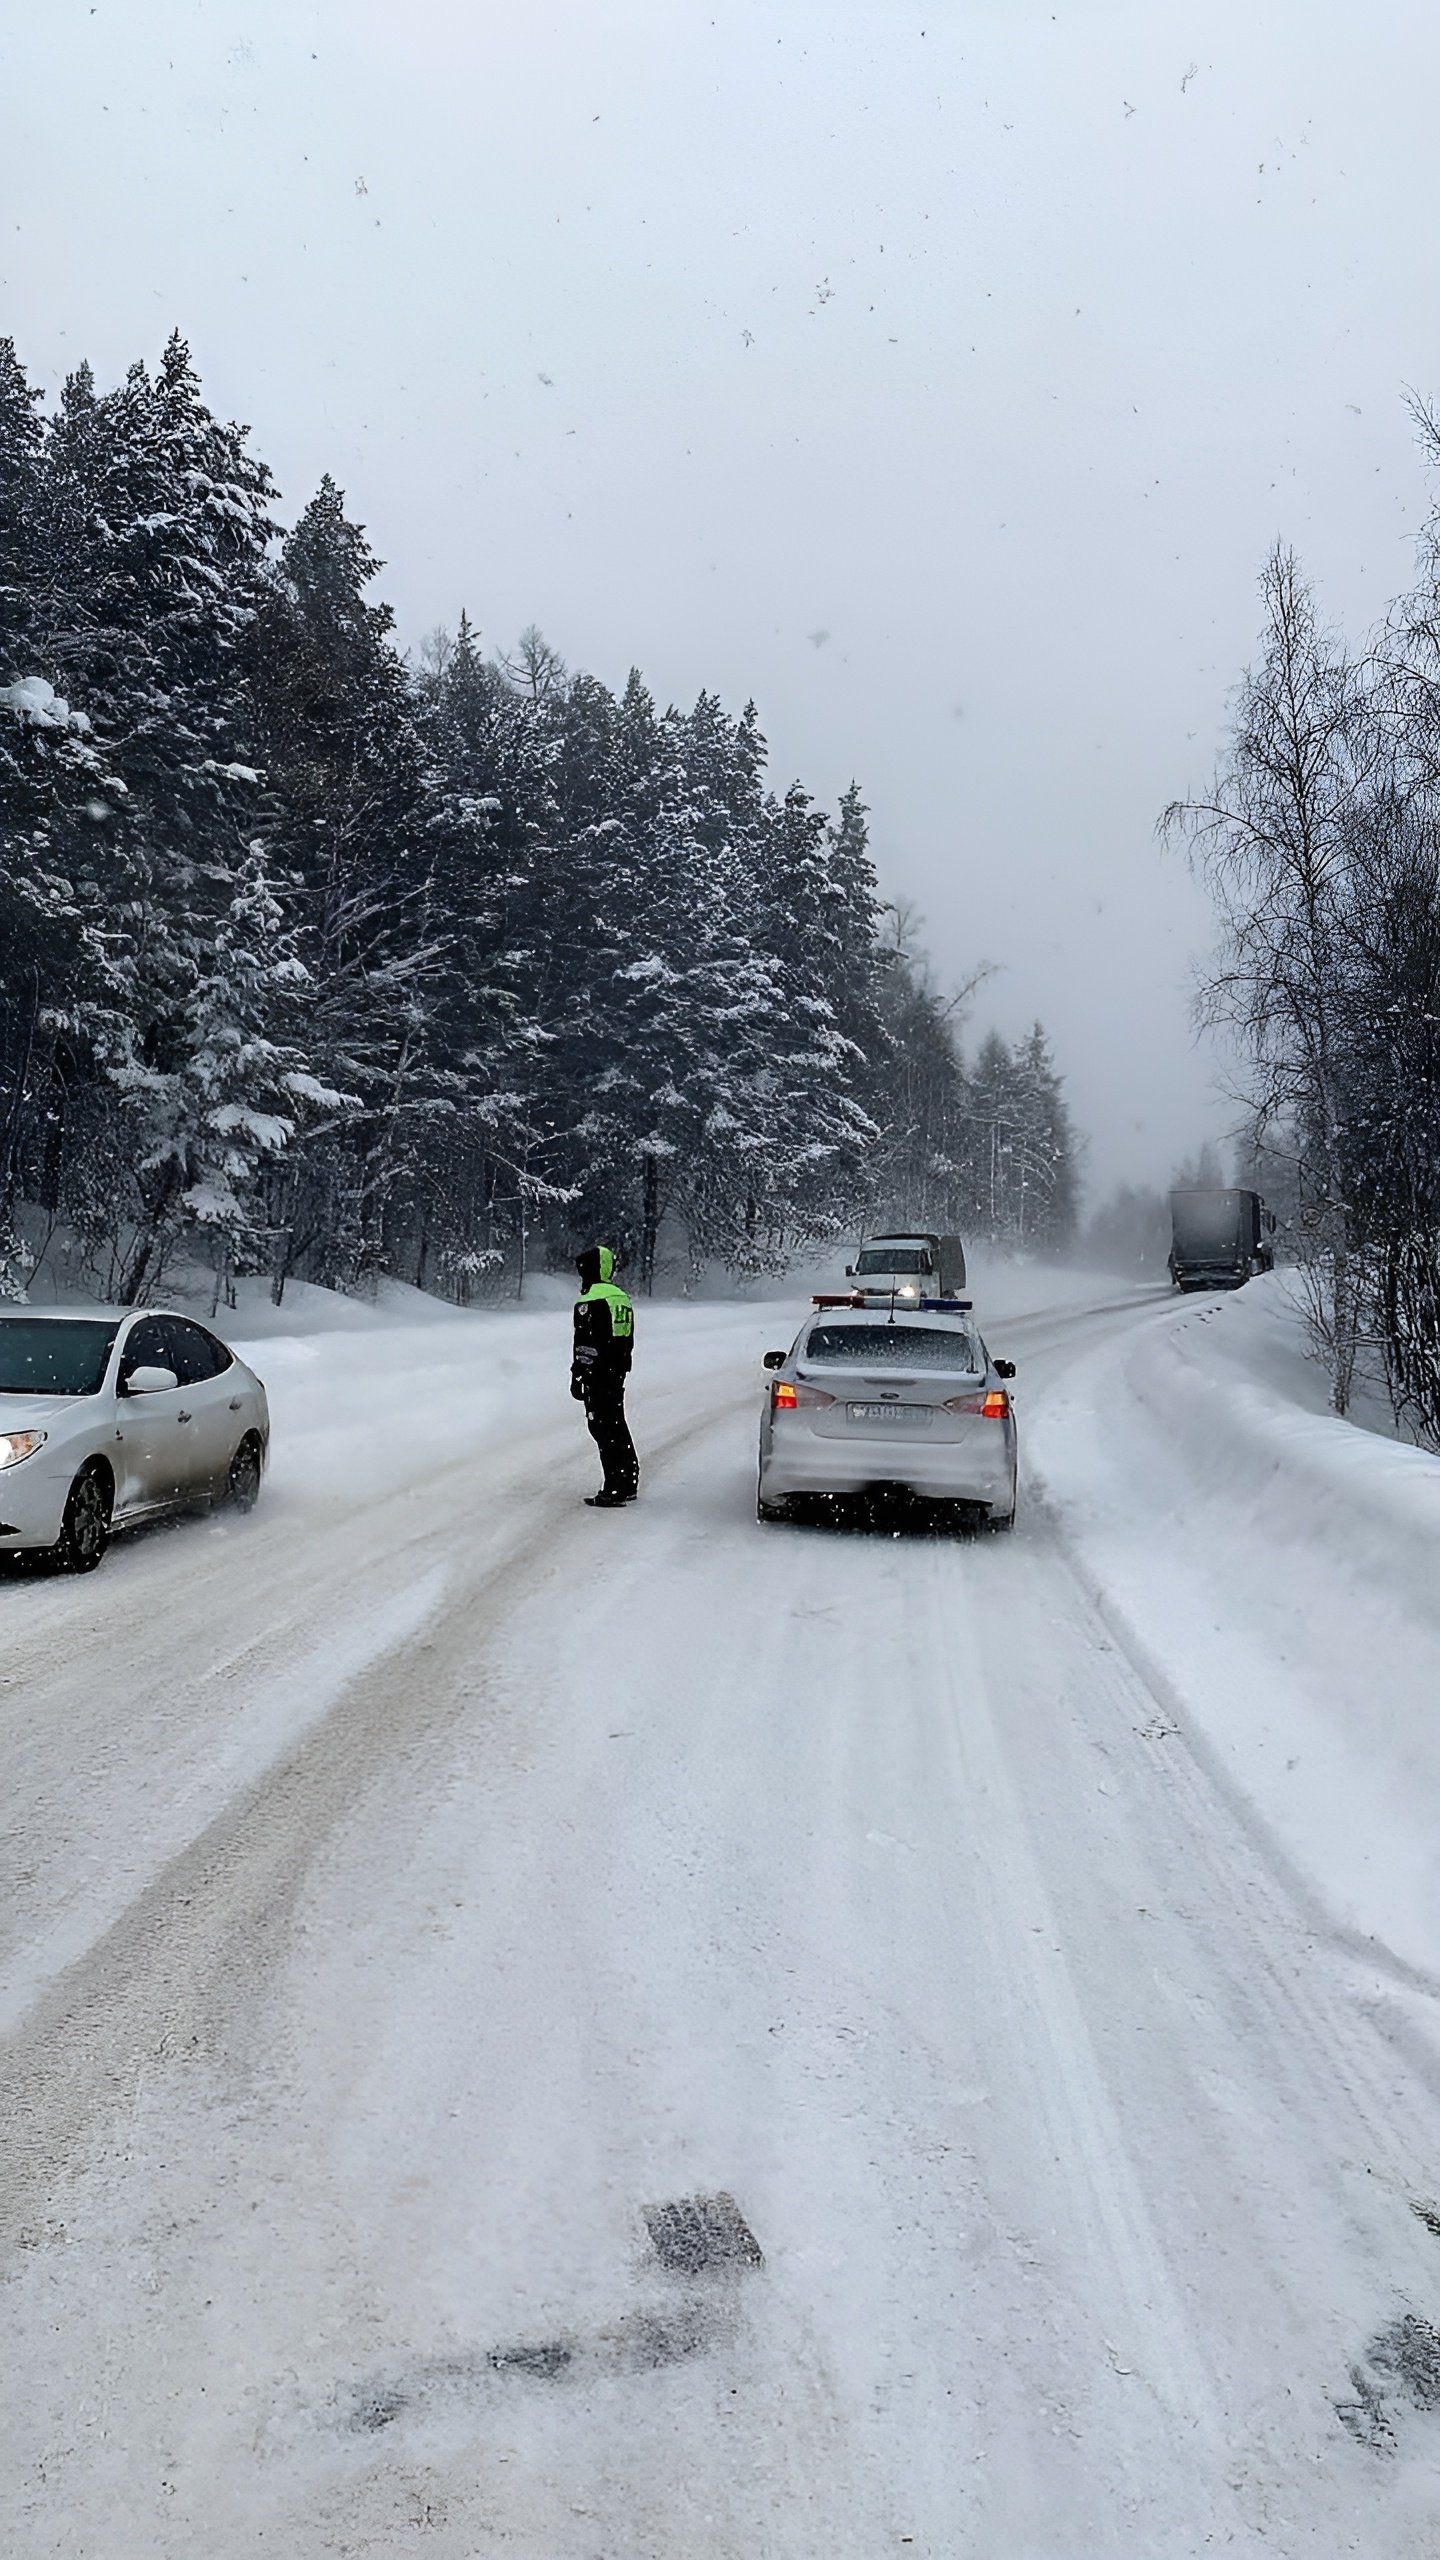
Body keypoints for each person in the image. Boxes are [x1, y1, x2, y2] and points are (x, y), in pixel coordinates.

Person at [571, 1243, 639, 1507]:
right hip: (617, 1370)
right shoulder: (620, 1298)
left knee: (602, 1426)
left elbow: (584, 1344)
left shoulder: (590, 1300)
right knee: (616, 1424)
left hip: (597, 1373)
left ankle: (614, 1487)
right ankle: (628, 1479)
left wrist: (578, 1375)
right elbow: (627, 1338)